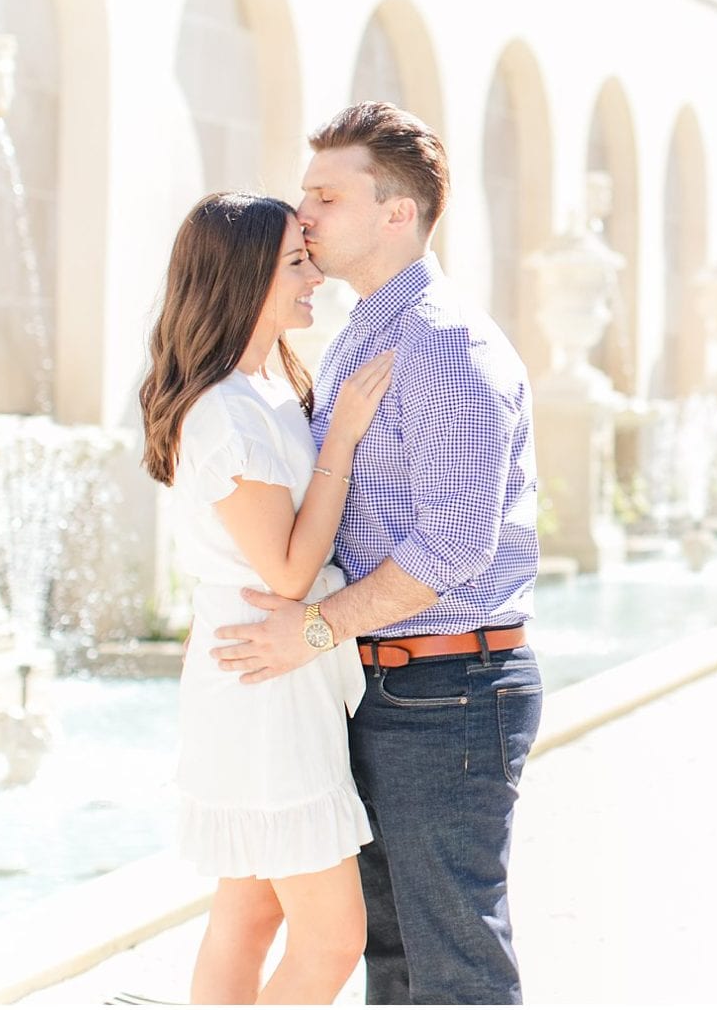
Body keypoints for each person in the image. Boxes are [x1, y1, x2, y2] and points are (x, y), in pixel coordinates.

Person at [212, 102, 543, 1005]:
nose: (304, 212)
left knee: (452, 964)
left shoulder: (441, 344)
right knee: (396, 961)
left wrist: (312, 631)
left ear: (397, 213)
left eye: (325, 194)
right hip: (389, 682)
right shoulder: (368, 326)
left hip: (449, 689)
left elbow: (454, 546)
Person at [139, 192, 394, 1004]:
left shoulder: (270, 388)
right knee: (331, 939)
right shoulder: (223, 413)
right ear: (243, 276)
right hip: (262, 683)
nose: (313, 272)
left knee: (248, 913)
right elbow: (287, 571)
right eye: (294, 261)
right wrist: (344, 439)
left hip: (273, 671)